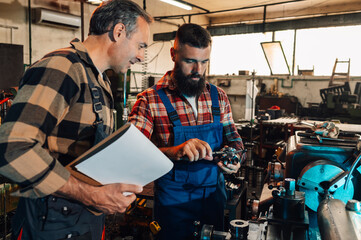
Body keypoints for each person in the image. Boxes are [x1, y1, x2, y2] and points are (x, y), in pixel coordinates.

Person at [0, 1, 152, 239]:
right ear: (119, 32)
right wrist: (91, 195)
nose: (142, 56)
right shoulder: (63, 67)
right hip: (49, 222)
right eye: (141, 46)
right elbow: (13, 147)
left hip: (83, 220)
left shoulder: (98, 80)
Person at [129, 23, 246, 240]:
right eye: (190, 61)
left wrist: (235, 158)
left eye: (204, 62)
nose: (198, 71)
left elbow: (235, 142)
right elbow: (133, 154)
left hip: (214, 197)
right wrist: (175, 151)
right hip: (174, 204)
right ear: (173, 54)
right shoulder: (150, 100)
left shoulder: (218, 97)